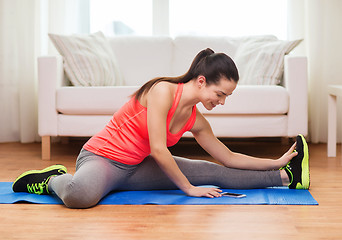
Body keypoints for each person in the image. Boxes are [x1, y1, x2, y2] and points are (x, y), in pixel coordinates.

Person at [12, 48, 310, 209]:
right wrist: (189, 189)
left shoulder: (196, 119)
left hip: (139, 166)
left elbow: (228, 157)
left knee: (216, 173)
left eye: (226, 98)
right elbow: (158, 147)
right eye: (220, 95)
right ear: (202, 81)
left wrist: (276, 161)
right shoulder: (162, 92)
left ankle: (287, 177)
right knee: (80, 196)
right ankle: (53, 180)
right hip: (102, 159)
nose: (221, 102)